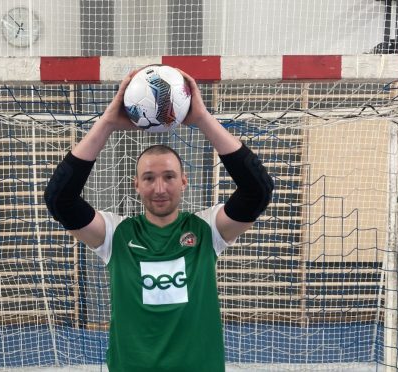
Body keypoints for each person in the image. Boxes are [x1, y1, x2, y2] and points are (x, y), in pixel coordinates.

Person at [44, 69, 273, 372]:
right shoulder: (115, 235)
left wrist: (203, 118)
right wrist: (108, 122)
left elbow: (258, 191)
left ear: (184, 182)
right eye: (149, 178)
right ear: (136, 185)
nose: (160, 188)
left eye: (169, 177)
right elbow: (60, 199)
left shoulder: (207, 230)